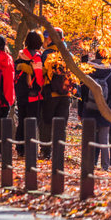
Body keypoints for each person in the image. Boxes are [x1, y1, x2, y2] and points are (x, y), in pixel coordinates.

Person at [79, 51, 111, 171]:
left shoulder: (88, 71)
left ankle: (88, 164)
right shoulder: (110, 74)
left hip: (89, 109)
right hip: (105, 111)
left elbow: (83, 93)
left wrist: (80, 112)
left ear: (96, 57)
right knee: (104, 139)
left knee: (88, 138)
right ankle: (105, 166)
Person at [40, 29, 76, 159]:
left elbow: (42, 73)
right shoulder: (68, 55)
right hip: (65, 95)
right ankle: (59, 152)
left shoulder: (47, 54)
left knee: (47, 123)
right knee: (61, 125)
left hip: (51, 94)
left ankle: (45, 151)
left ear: (51, 39)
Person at [13, 31, 44, 156]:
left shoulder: (20, 55)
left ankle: (20, 148)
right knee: (32, 121)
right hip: (34, 94)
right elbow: (39, 78)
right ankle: (30, 148)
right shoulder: (37, 57)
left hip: (21, 93)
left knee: (21, 120)